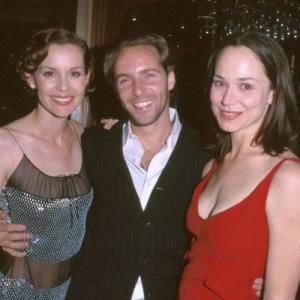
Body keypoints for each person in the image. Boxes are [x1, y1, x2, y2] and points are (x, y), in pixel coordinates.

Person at [66, 33, 263, 300]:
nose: (138, 90)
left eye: (149, 75)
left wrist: (263, 268)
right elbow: (53, 197)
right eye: (125, 80)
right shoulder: (93, 145)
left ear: (170, 79)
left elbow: (242, 222)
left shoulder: (210, 154)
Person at [179, 31, 300, 299]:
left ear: (272, 94)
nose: (227, 99)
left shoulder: (288, 177)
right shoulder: (212, 166)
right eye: (220, 82)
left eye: (246, 86)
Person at [0, 28, 94, 299]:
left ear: (87, 77)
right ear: (31, 78)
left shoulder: (88, 138)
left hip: (70, 290)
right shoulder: (6, 143)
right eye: (49, 73)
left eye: (74, 73)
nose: (63, 87)